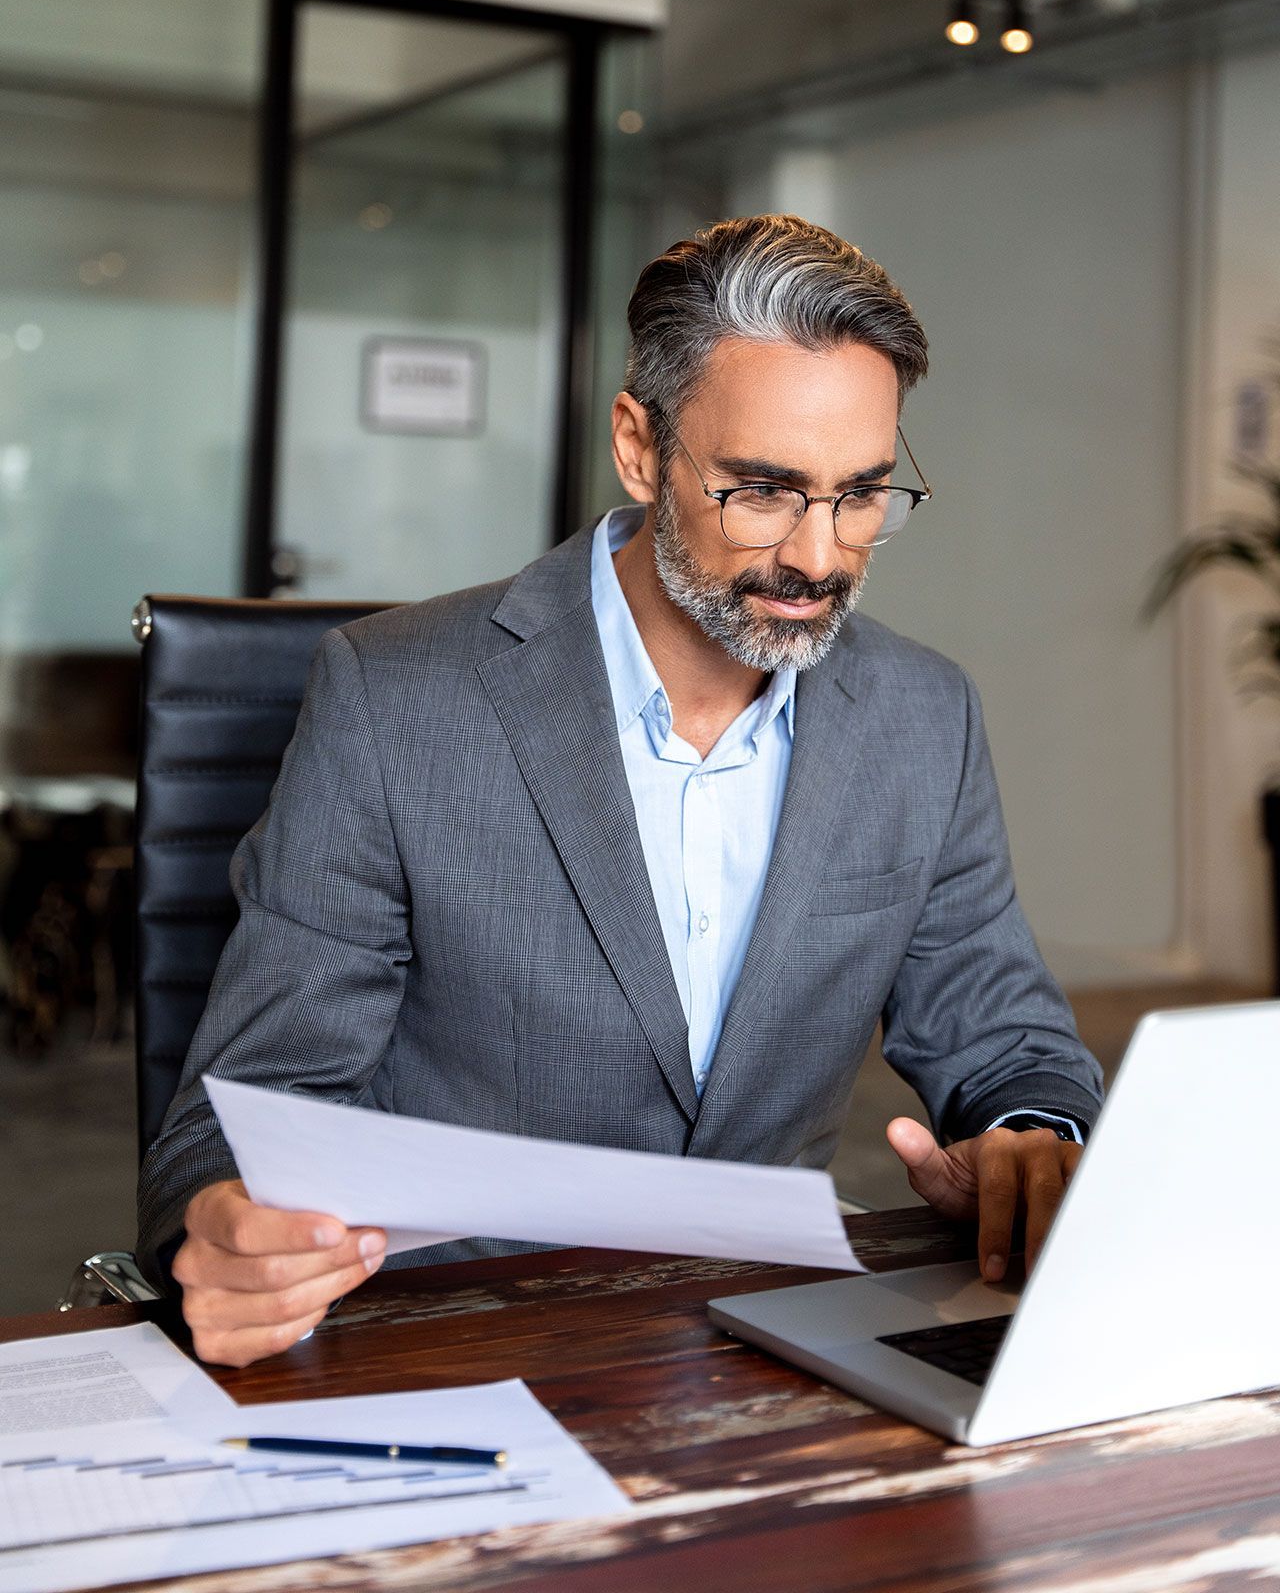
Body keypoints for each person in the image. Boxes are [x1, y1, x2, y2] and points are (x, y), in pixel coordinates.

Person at [137, 214, 1103, 1368]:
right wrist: (231, 1226)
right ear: (640, 449)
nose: (817, 556)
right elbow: (242, 1108)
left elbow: (1005, 1039)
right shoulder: (394, 699)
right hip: (463, 1339)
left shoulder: (918, 713)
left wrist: (1024, 1140)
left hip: (777, 1334)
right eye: (762, 491)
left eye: (861, 496)